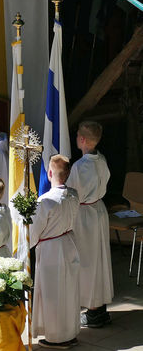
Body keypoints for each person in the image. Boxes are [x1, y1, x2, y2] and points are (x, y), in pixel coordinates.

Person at [30, 155, 80, 349]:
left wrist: (28, 243)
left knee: (53, 293)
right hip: (68, 242)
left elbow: (35, 231)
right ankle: (70, 332)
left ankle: (57, 337)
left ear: (49, 173)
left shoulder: (45, 201)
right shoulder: (74, 194)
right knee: (68, 290)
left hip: (51, 249)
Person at [66, 121, 113, 328]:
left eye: (77, 135)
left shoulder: (79, 166)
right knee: (98, 260)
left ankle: (93, 310)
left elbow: (71, 193)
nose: (76, 138)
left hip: (84, 215)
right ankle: (98, 307)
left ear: (82, 140)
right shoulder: (101, 158)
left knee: (89, 262)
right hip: (98, 211)